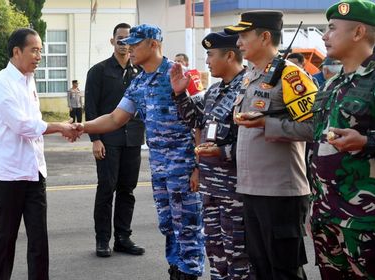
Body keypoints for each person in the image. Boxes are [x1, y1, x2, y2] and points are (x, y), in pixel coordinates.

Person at [77, 24, 205, 280]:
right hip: (159, 167)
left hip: (184, 166)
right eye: (127, 44)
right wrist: (80, 127)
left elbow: (201, 122)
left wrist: (199, 167)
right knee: (169, 224)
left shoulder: (181, 74)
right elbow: (115, 119)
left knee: (187, 225)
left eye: (135, 44)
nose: (129, 48)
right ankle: (175, 269)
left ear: (153, 44)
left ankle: (189, 273)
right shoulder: (140, 81)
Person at [225, 10, 318, 279]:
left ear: (265, 37)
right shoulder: (250, 75)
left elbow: (314, 127)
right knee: (260, 266)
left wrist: (267, 124)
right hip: (252, 188)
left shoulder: (291, 76)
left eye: (243, 36)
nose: (239, 43)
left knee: (284, 270)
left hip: (281, 192)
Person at [0, 28, 81, 280]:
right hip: (8, 174)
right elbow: (23, 126)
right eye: (34, 50)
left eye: (41, 50)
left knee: (39, 239)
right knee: (5, 238)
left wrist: (60, 127)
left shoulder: (29, 80)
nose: (40, 56)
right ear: (17, 51)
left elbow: (33, 122)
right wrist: (61, 126)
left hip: (34, 171)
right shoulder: (1, 83)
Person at [309, 1, 375, 279]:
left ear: (358, 32)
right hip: (327, 217)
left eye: (332, 29)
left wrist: (368, 143)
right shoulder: (332, 85)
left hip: (371, 223)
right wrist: (316, 209)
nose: (324, 35)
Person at [171, 32, 253, 279]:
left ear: (230, 55)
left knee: (238, 253)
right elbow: (195, 120)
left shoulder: (248, 87)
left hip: (235, 189)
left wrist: (222, 151)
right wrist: (179, 94)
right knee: (216, 250)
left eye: (210, 54)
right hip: (211, 188)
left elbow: (252, 141)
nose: (206, 61)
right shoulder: (215, 90)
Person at [84, 22, 145, 258]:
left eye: (128, 40)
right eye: (120, 39)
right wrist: (95, 139)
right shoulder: (98, 71)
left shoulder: (139, 72)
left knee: (127, 191)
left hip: (133, 140)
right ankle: (102, 240)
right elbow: (91, 108)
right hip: (108, 140)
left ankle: (123, 238)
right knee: (106, 189)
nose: (124, 44)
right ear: (112, 41)